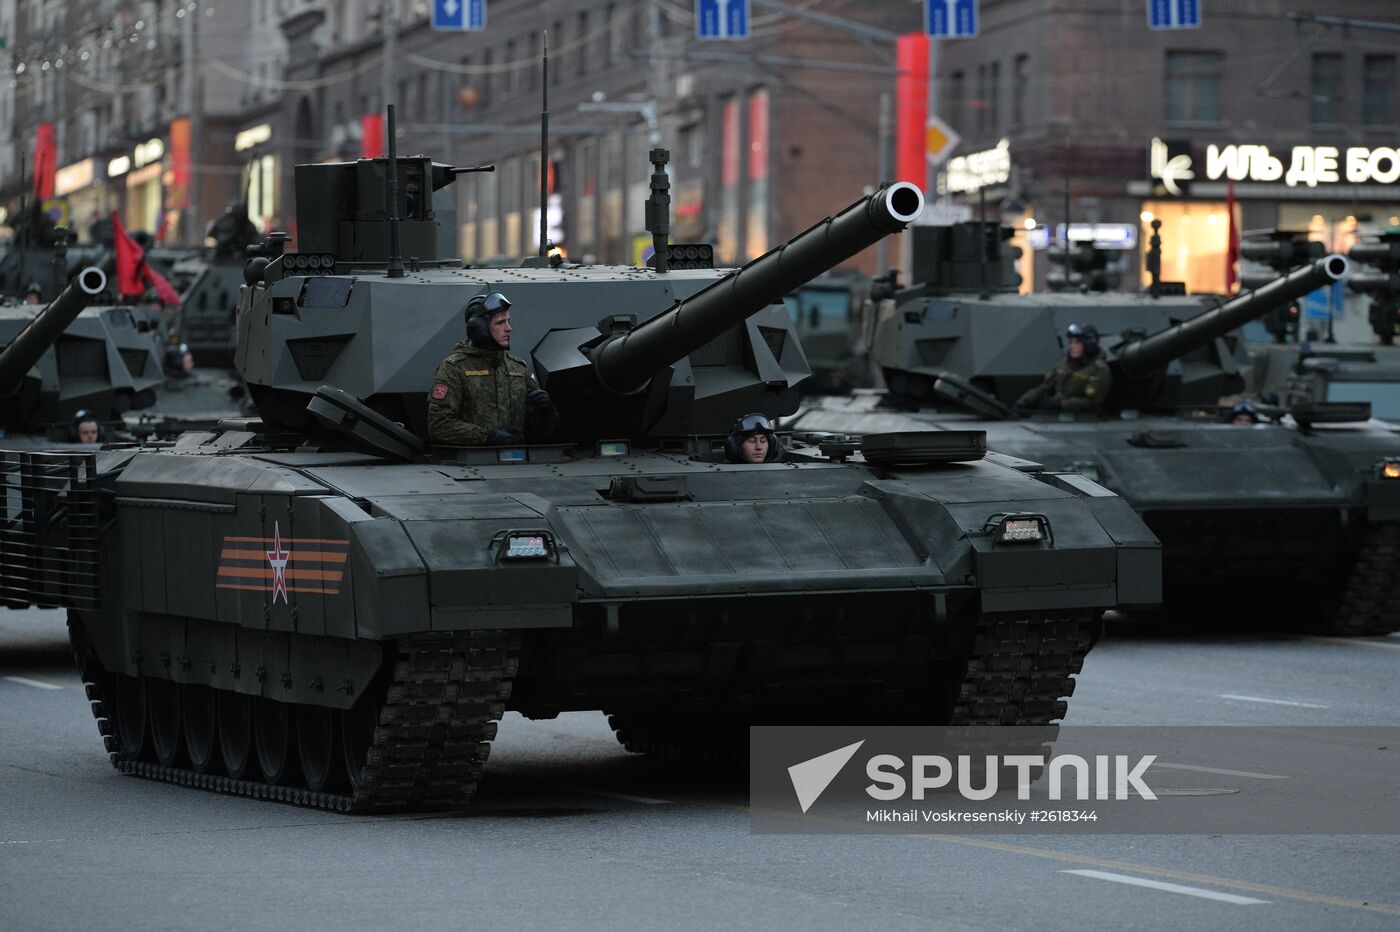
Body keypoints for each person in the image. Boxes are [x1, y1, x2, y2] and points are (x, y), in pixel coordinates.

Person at [427, 291, 558, 445]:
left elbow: (542, 434)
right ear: (479, 328)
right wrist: (487, 436)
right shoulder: (454, 369)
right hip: (473, 462)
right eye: (500, 322)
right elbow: (439, 426)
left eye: (508, 321)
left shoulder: (518, 369)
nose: (509, 328)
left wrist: (546, 412)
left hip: (518, 464)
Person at [1012, 323, 1112, 416]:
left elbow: (1093, 402)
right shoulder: (1065, 365)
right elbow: (1046, 387)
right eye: (1071, 343)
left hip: (1082, 418)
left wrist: (1061, 405)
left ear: (1089, 345)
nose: (1072, 347)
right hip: (1057, 415)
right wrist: (1024, 402)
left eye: (1077, 343)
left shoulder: (1099, 370)